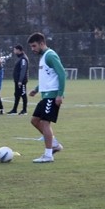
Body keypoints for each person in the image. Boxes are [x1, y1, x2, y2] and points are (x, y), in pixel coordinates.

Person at [27, 32, 66, 163]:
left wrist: (60, 94)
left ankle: (48, 155)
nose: (32, 49)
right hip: (46, 95)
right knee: (34, 121)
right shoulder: (44, 57)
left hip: (52, 95)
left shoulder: (50, 55)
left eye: (34, 46)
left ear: (42, 43)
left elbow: (62, 74)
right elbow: (48, 77)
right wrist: (36, 89)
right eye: (31, 46)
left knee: (45, 123)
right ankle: (54, 144)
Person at [9, 45, 29, 115]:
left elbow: (23, 70)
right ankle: (14, 110)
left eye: (15, 50)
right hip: (17, 81)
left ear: (18, 50)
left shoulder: (23, 58)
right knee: (17, 94)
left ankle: (24, 110)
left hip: (22, 81)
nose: (14, 51)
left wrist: (20, 80)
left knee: (23, 94)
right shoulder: (19, 58)